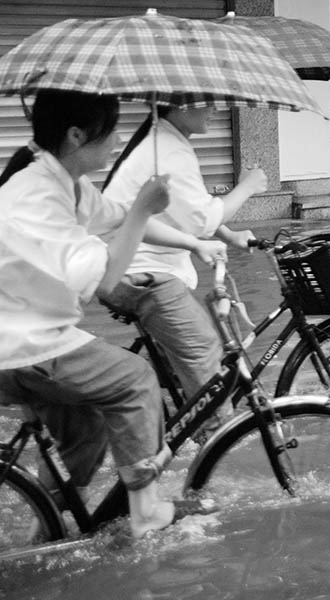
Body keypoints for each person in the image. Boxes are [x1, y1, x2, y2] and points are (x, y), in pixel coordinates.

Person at [0, 90, 226, 538]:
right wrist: (143, 209)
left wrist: (194, 243)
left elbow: (120, 219)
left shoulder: (65, 182)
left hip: (32, 335)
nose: (119, 138)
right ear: (76, 135)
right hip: (23, 344)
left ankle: (48, 530)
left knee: (88, 431)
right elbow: (104, 279)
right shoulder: (38, 194)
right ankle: (146, 513)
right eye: (111, 130)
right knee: (136, 379)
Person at [101, 106, 267, 439]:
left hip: (134, 267)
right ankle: (216, 446)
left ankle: (176, 422)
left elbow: (188, 207)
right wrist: (247, 186)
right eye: (206, 101)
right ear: (181, 104)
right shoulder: (166, 148)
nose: (215, 109)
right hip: (140, 272)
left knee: (186, 364)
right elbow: (201, 219)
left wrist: (230, 236)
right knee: (205, 349)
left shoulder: (166, 142)